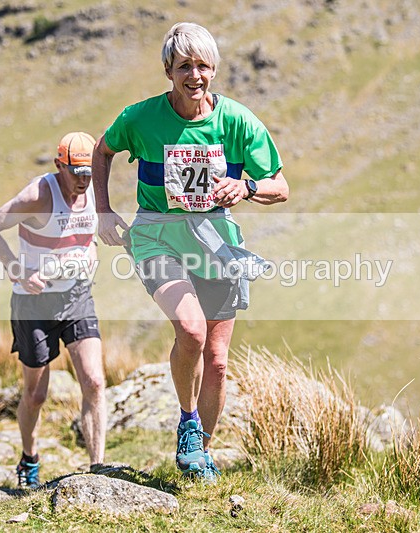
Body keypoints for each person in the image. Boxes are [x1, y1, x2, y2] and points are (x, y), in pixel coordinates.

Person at [92, 22, 289, 482]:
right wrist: (103, 210)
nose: (194, 75)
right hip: (157, 234)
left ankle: (201, 453)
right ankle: (187, 420)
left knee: (218, 363)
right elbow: (102, 152)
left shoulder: (238, 121)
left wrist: (246, 186)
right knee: (191, 330)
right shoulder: (141, 118)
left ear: (214, 69)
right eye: (184, 66)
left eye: (202, 65)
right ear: (168, 71)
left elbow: (281, 186)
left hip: (216, 239)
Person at [0, 131, 106, 489]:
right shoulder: (38, 195)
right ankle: (29, 457)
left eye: (89, 172)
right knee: (36, 394)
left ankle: (98, 467)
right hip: (32, 303)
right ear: (59, 165)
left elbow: (89, 235)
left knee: (94, 381)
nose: (84, 180)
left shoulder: (95, 188)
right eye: (76, 172)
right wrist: (16, 269)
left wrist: (91, 253)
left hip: (77, 297)